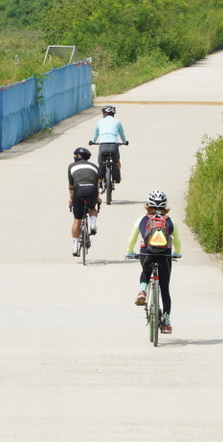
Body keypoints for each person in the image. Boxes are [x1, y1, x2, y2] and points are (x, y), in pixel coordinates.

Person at [125, 190, 181, 334]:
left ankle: (142, 290)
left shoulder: (142, 219)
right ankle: (167, 323)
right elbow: (178, 242)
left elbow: (132, 238)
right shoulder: (170, 221)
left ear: (148, 204)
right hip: (165, 256)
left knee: (145, 271)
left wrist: (129, 252)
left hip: (146, 253)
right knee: (165, 290)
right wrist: (177, 253)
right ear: (165, 205)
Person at [68, 146, 100, 257]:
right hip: (92, 189)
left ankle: (75, 246)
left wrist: (72, 199)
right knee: (92, 208)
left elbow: (71, 186)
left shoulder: (71, 166)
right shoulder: (94, 166)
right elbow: (97, 184)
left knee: (77, 220)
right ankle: (93, 224)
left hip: (79, 190)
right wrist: (97, 198)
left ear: (78, 156)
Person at [90, 105, 127, 184]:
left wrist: (92, 141)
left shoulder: (100, 122)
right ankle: (117, 178)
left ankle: (99, 182)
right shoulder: (117, 122)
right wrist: (125, 141)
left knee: (101, 164)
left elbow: (96, 133)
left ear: (104, 114)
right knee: (116, 162)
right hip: (113, 146)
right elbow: (122, 133)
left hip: (103, 146)